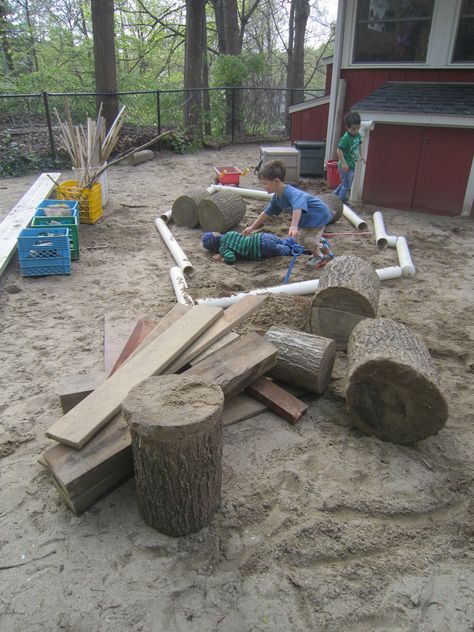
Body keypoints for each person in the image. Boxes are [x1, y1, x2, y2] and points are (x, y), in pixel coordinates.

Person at [241, 160, 334, 268]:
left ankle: (320, 257)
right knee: (301, 241)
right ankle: (321, 243)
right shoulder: (277, 198)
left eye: (265, 184)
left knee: (309, 241)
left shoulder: (291, 193)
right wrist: (252, 227)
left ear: (276, 181)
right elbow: (266, 213)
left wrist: (294, 225)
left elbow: (298, 206)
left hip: (318, 216)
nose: (263, 187)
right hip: (307, 221)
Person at [202, 230, 298, 264]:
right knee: (282, 241)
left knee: (284, 250)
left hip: (260, 248)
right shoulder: (230, 233)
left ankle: (296, 251)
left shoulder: (223, 248)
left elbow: (231, 258)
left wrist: (222, 258)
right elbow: (240, 237)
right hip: (261, 236)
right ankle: (292, 240)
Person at [335, 111, 363, 203]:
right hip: (345, 165)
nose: (355, 131)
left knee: (345, 183)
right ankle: (340, 202)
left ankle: (334, 196)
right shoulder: (345, 138)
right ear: (347, 127)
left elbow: (360, 144)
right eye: (353, 129)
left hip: (351, 164)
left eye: (357, 128)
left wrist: (361, 155)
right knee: (347, 185)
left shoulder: (357, 135)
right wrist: (344, 164)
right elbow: (339, 150)